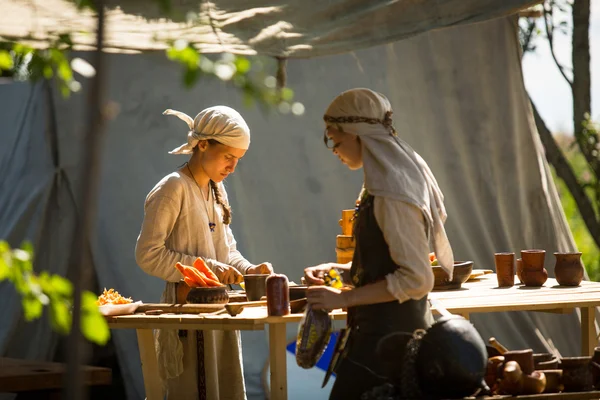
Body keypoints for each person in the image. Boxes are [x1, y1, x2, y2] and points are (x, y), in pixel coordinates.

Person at [304, 88, 454, 399]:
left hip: (392, 345)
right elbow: (386, 266)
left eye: (335, 139)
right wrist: (343, 271)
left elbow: (417, 279)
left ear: (359, 135)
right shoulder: (378, 188)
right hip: (376, 338)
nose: (333, 149)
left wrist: (342, 300)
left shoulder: (391, 194)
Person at [135, 105, 273, 400]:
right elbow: (148, 253)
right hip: (186, 315)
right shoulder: (173, 188)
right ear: (202, 144)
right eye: (228, 157)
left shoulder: (216, 190)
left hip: (219, 314)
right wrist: (205, 267)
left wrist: (249, 270)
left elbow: (227, 251)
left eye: (238, 159)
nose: (233, 167)